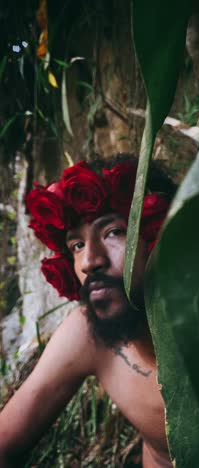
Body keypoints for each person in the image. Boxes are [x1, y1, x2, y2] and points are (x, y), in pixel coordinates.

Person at [0, 155, 176, 468]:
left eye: (113, 232)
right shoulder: (87, 331)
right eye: (76, 245)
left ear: (160, 232)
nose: (88, 261)